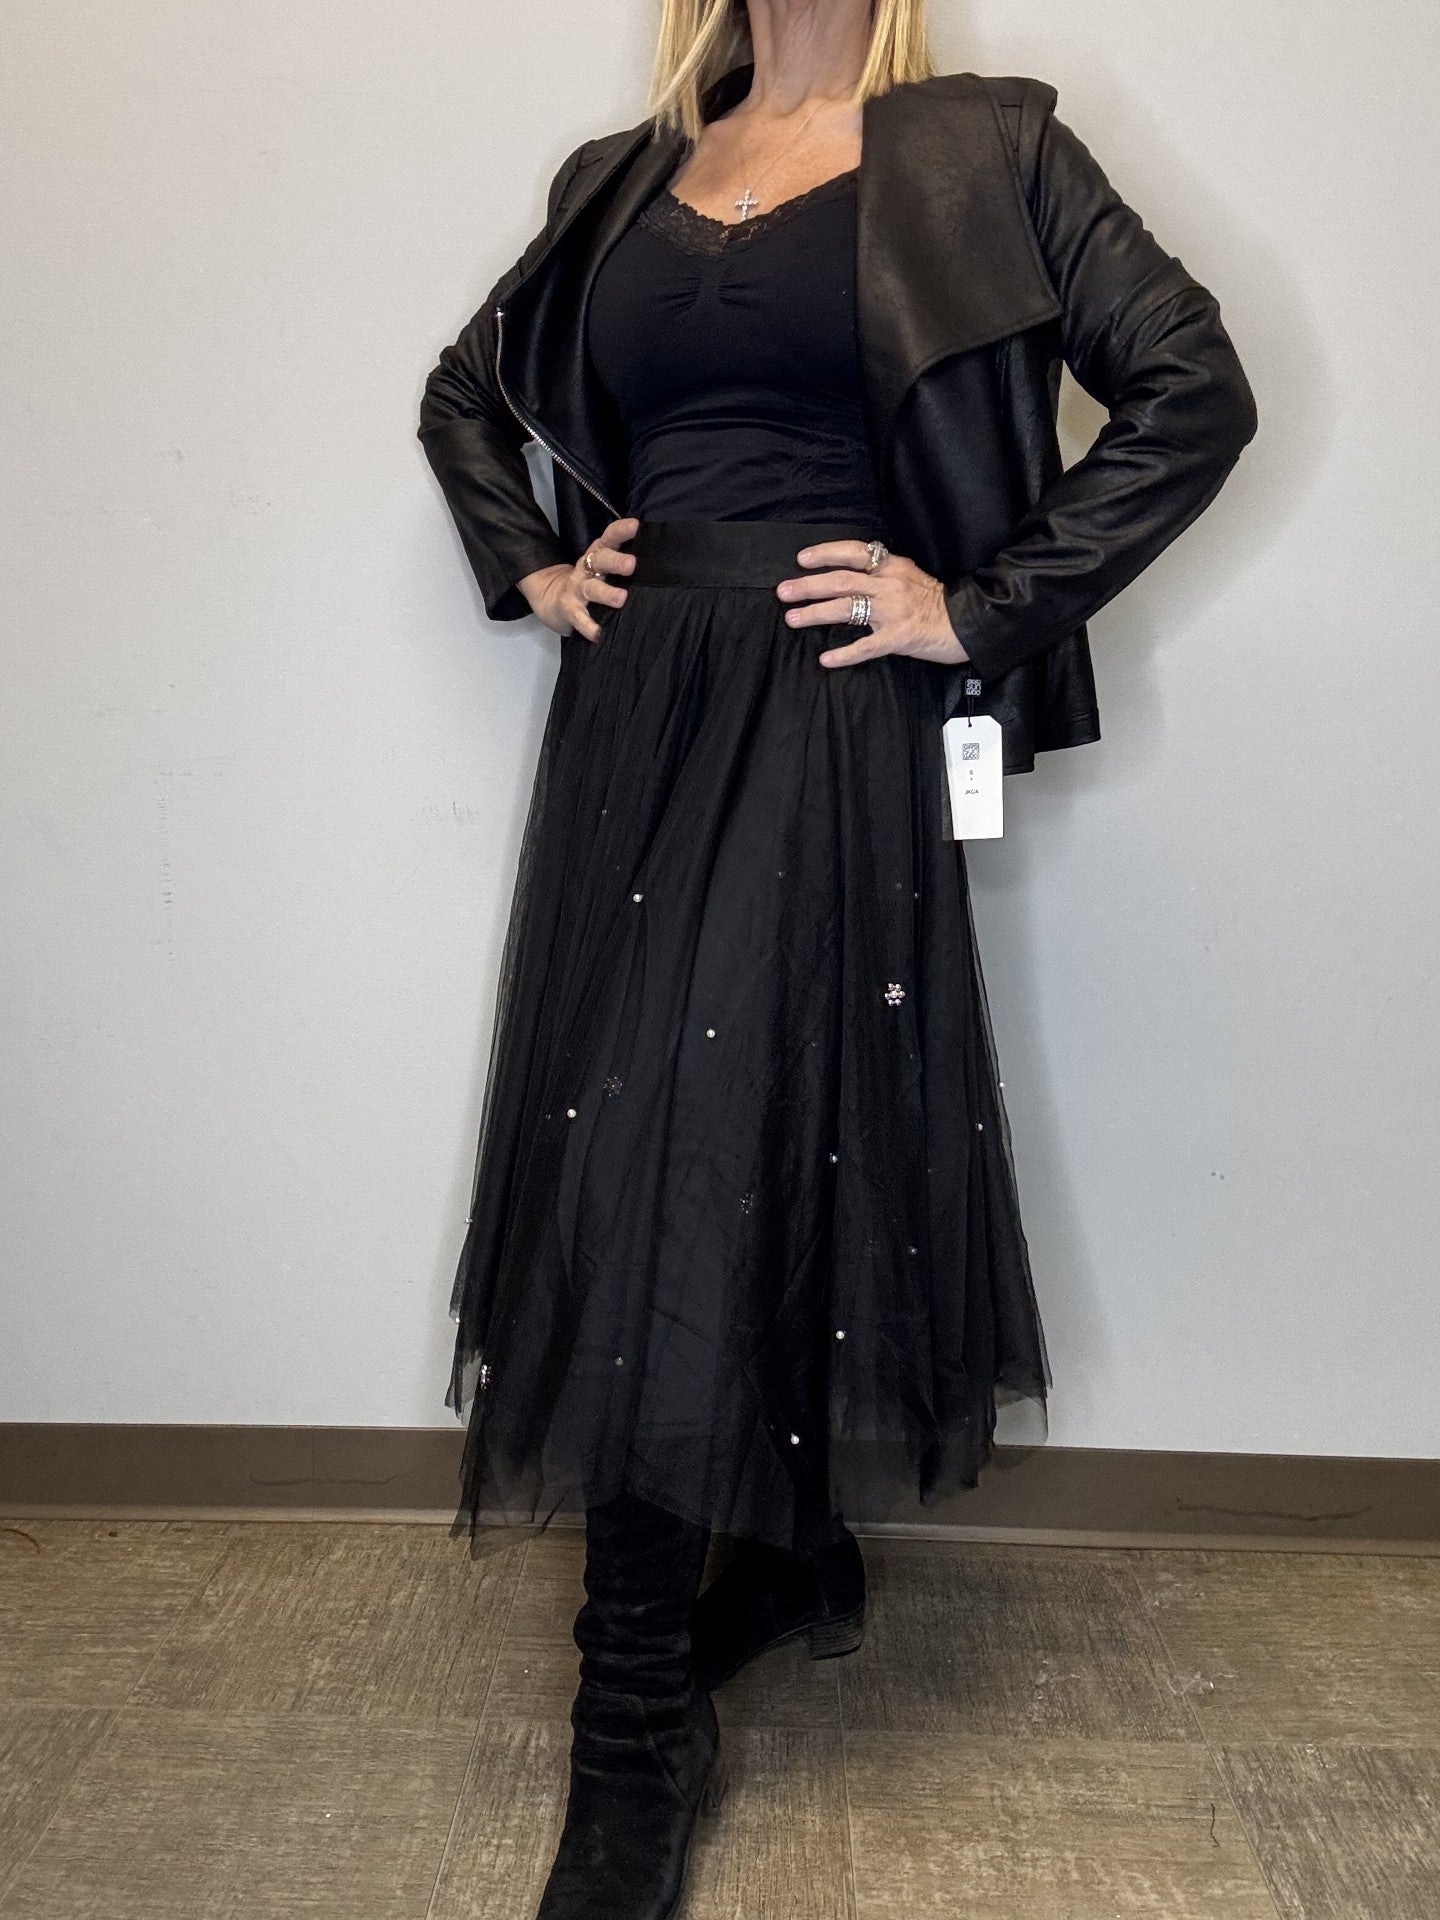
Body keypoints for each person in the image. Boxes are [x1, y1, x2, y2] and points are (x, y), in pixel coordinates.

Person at [416, 2, 1258, 1914]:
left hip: (825, 709)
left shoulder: (990, 145)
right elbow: (467, 389)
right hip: (636, 712)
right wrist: (533, 562)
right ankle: (792, 1553)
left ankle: (632, 1723)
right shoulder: (623, 176)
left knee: (693, 1144)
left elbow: (1192, 387)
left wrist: (980, 606)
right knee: (669, 1140)